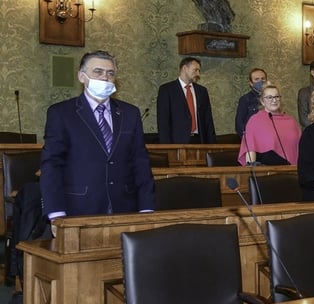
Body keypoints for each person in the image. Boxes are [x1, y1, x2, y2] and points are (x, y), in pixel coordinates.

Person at [40, 50, 154, 225]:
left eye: (110, 73)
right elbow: (52, 165)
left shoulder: (130, 113)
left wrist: (147, 208)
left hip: (125, 208)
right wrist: (55, 214)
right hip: (78, 209)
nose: (104, 78)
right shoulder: (61, 113)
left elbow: (140, 161)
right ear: (82, 77)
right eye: (98, 72)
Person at [156, 56, 216, 144]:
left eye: (199, 71)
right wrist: (167, 148)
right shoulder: (167, 90)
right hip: (177, 143)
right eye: (195, 70)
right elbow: (163, 122)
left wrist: (212, 145)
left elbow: (208, 120)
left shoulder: (202, 91)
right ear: (184, 68)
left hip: (200, 141)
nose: (198, 74)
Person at [238, 84, 301, 166]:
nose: (274, 100)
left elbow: (301, 148)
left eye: (277, 97)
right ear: (262, 101)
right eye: (269, 97)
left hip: (294, 170)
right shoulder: (255, 121)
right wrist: (250, 171)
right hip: (268, 172)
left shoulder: (291, 121)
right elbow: (250, 150)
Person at [235, 68, 267, 138]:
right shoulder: (245, 99)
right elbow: (239, 124)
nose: (260, 81)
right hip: (252, 140)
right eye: (257, 79)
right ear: (251, 83)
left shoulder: (272, 98)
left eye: (263, 78)